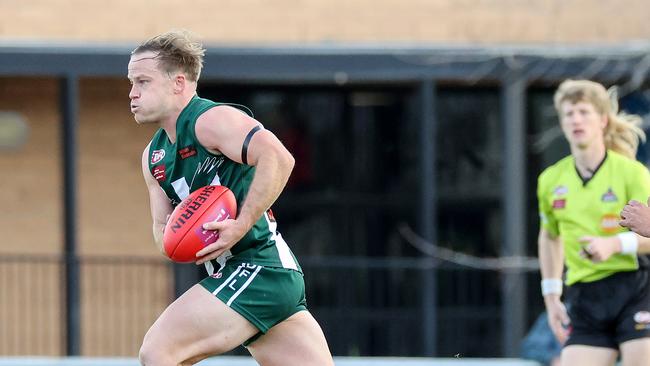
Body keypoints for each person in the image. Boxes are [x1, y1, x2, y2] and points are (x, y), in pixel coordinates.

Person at [128, 30, 334, 366]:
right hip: (254, 276)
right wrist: (181, 237)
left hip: (258, 266)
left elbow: (279, 158)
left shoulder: (210, 120)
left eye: (143, 82)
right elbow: (163, 229)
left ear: (178, 83)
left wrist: (239, 224)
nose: (132, 93)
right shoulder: (153, 157)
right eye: (131, 82)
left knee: (158, 351)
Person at [537, 79, 650, 366]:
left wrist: (614, 244)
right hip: (586, 294)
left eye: (584, 112)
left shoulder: (631, 173)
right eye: (569, 114)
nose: (576, 120)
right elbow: (550, 236)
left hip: (636, 290)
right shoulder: (550, 180)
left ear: (602, 120)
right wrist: (551, 297)